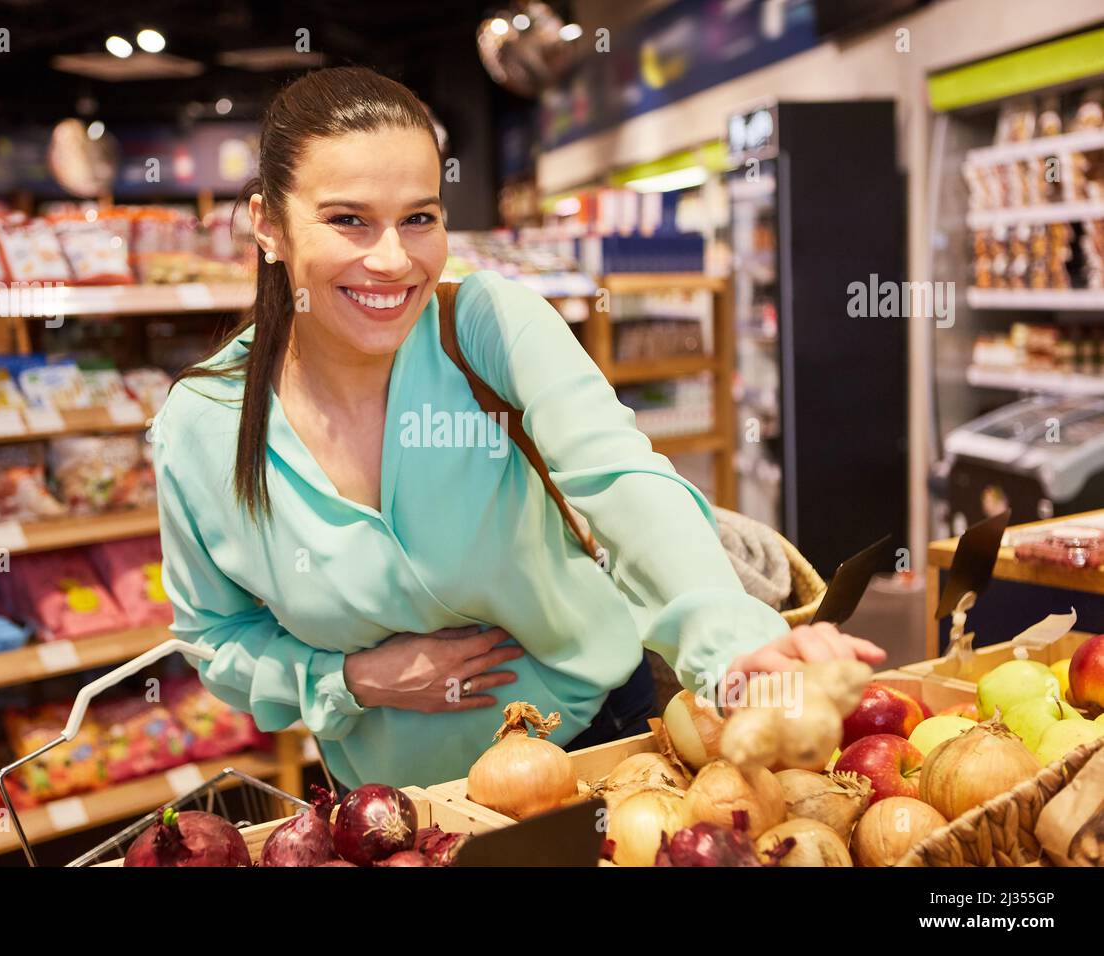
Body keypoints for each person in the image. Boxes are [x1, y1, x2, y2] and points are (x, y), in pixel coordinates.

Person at [152, 65, 885, 790]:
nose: (392, 259)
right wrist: (349, 680)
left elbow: (619, 475)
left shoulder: (486, 327)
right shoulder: (202, 426)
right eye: (348, 219)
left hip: (597, 749)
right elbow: (215, 637)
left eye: (420, 218)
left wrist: (729, 644)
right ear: (267, 225)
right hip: (396, 811)